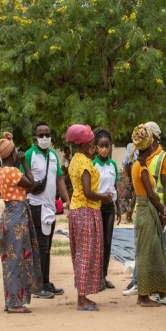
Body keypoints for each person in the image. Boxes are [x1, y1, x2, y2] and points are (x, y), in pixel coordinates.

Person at [66, 124, 112, 311]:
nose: (94, 144)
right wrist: (104, 197)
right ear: (85, 144)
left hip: (77, 210)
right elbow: (87, 192)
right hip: (86, 211)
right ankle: (81, 299)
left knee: (80, 254)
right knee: (85, 255)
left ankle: (83, 295)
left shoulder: (75, 160)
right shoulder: (85, 164)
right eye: (92, 141)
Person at [0, 132, 42, 314]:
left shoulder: (0, 172)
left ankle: (11, 299)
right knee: (18, 259)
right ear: (11, 153)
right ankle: (15, 302)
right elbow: (31, 184)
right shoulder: (13, 171)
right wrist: (24, 162)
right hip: (17, 215)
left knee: (9, 260)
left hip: (7, 214)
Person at [123, 121, 166, 296]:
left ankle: (150, 289)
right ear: (150, 145)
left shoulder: (137, 165)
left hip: (145, 209)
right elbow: (151, 194)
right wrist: (163, 209)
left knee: (150, 250)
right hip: (147, 209)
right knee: (145, 252)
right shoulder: (142, 168)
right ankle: (143, 294)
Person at [24, 121, 70, 299]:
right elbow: (23, 179)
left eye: (47, 134)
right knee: (41, 246)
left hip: (51, 207)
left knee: (47, 247)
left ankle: (46, 282)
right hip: (36, 205)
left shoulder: (52, 155)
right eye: (40, 134)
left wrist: (67, 200)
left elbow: (59, 179)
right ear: (35, 137)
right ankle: (38, 285)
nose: (44, 137)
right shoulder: (29, 155)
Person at [92, 129, 122, 290]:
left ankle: (104, 276)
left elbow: (114, 186)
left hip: (109, 207)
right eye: (101, 146)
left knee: (108, 241)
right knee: (98, 242)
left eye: (107, 146)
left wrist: (118, 207)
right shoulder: (93, 165)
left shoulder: (113, 165)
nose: (104, 149)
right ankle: (96, 277)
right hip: (97, 206)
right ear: (96, 147)